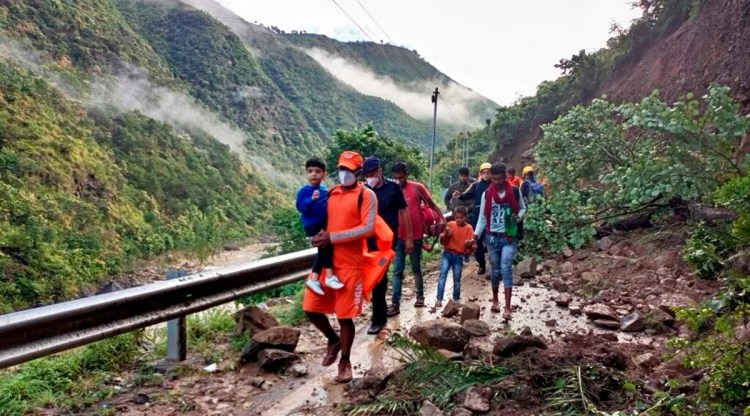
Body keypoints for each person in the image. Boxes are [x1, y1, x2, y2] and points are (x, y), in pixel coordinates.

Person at [302, 150, 377, 383]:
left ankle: (345, 361)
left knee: (345, 317)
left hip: (351, 266)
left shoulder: (367, 196)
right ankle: (332, 340)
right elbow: (321, 219)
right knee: (310, 308)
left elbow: (367, 228)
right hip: (327, 263)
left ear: (359, 172)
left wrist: (332, 237)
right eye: (341, 168)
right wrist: (318, 235)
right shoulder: (331, 193)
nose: (344, 173)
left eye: (349, 170)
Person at [387, 161, 444, 315]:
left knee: (416, 267)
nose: (398, 180)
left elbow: (431, 204)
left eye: (401, 177)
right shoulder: (392, 189)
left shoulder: (417, 187)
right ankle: (395, 304)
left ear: (406, 174)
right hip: (398, 236)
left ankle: (420, 296)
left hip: (417, 235)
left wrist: (443, 220)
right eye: (395, 178)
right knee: (397, 270)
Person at [362, 156, 412, 335]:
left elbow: (404, 212)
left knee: (379, 278)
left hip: (386, 243)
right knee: (375, 279)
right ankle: (380, 315)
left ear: (380, 171)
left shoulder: (393, 188)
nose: (370, 177)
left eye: (372, 174)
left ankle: (377, 320)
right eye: (366, 175)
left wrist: (408, 238)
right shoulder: (364, 191)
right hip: (367, 242)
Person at [471, 163, 526, 320]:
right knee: (495, 270)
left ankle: (507, 307)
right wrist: (475, 235)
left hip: (509, 234)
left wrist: (519, 217)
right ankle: (495, 299)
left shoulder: (515, 191)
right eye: (494, 179)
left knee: (506, 267)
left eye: (500, 179)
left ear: (505, 177)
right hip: (492, 237)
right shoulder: (487, 194)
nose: (497, 182)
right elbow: (482, 219)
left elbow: (522, 208)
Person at [295, 157, 343, 295]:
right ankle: (329, 277)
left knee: (323, 250)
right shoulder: (304, 191)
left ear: (324, 174)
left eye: (317, 171)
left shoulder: (323, 189)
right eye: (310, 171)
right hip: (312, 225)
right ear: (306, 173)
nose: (314, 174)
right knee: (326, 247)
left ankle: (314, 279)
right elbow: (301, 207)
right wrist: (311, 200)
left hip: (323, 223)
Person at [451, 162, 492, 275]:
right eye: (484, 172)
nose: (486, 174)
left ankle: (493, 265)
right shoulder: (476, 185)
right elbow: (466, 194)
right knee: (477, 239)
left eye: (488, 172)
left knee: (490, 240)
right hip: (478, 215)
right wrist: (460, 195)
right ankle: (482, 265)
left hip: (492, 215)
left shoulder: (495, 185)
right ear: (480, 173)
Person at [434, 206, 475, 308]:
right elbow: (443, 241)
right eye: (456, 217)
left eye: (461, 218)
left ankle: (456, 299)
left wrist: (469, 244)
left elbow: (472, 246)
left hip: (459, 256)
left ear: (465, 217)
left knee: (457, 278)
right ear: (454, 217)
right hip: (447, 254)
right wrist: (446, 235)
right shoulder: (450, 225)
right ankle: (439, 299)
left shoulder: (469, 228)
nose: (458, 220)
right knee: (442, 276)